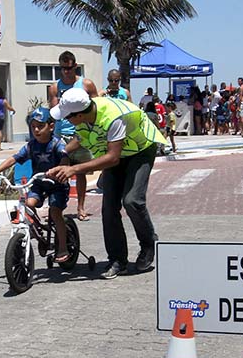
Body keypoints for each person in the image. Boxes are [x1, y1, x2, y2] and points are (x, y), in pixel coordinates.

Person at [47, 88, 167, 278]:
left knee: (132, 200)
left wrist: (74, 169)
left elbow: (112, 158)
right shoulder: (85, 116)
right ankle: (118, 260)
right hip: (117, 154)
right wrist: (62, 154)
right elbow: (80, 138)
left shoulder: (113, 117)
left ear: (79, 115)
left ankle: (148, 244)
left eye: (67, 117)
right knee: (109, 208)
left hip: (140, 150)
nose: (65, 121)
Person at [0, 107, 70, 261]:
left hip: (57, 184)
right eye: (33, 127)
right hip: (39, 183)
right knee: (28, 205)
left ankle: (63, 247)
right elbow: (14, 158)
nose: (36, 130)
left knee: (55, 212)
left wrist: (60, 169)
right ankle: (37, 230)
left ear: (51, 126)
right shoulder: (31, 146)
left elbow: (65, 158)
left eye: (40, 126)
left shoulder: (57, 144)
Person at [48, 50, 98, 221]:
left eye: (69, 68)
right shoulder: (55, 87)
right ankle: (57, 209)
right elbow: (53, 112)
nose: (66, 71)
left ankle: (81, 207)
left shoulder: (86, 84)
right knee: (59, 173)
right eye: (62, 68)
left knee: (81, 172)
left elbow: (96, 107)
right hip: (61, 134)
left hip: (81, 133)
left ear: (75, 66)